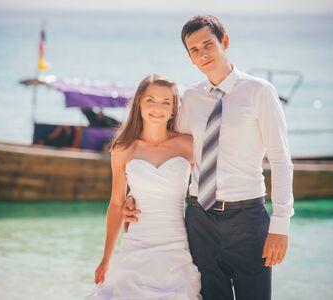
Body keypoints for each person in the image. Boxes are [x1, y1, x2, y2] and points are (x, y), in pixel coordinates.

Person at [123, 15, 294, 300]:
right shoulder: (190, 98)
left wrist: (281, 224)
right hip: (199, 220)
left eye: (208, 45)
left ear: (224, 42)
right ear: (190, 58)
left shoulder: (259, 92)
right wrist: (134, 193)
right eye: (194, 50)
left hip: (247, 220)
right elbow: (167, 150)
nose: (202, 54)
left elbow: (280, 160)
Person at [84, 74, 202, 299]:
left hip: (177, 247)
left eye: (166, 102)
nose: (157, 108)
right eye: (150, 100)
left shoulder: (188, 144)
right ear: (138, 102)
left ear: (173, 108)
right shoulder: (122, 148)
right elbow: (117, 203)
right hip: (136, 245)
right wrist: (107, 258)